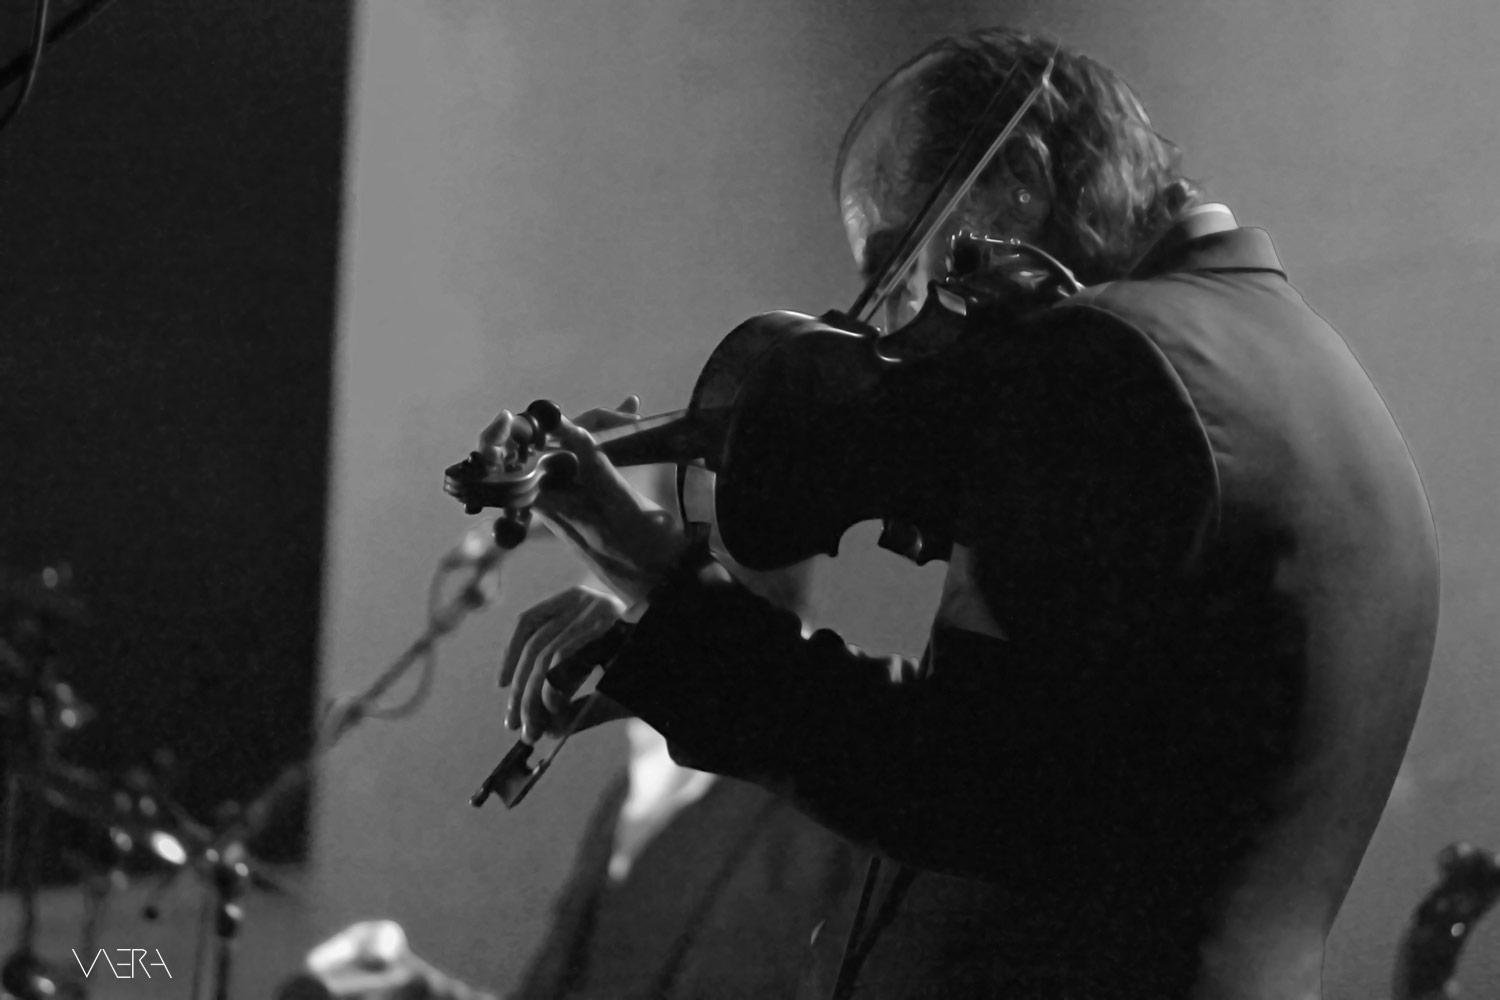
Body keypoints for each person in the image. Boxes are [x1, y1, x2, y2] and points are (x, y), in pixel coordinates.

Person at [496, 26, 1440, 1000]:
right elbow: (1057, 751)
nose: (901, 312)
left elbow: (957, 776)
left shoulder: (1108, 358)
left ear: (1020, 180)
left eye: (899, 256)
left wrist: (662, 584)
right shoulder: (1312, 377)